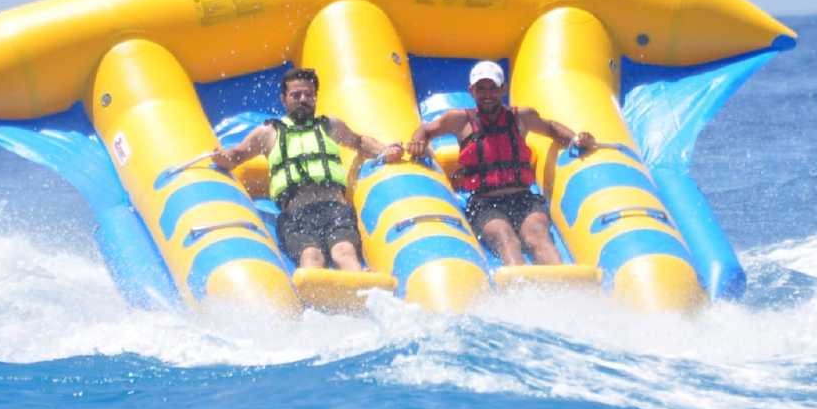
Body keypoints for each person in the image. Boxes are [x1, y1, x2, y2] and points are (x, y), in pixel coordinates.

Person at [210, 67, 403, 271]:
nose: (303, 99)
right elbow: (237, 155)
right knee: (312, 256)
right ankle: (317, 289)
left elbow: (359, 142)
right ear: (284, 99)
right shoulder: (267, 133)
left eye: (309, 95)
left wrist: (384, 150)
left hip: (335, 209)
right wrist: (222, 158)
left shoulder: (330, 126)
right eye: (296, 95)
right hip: (295, 215)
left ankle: (363, 286)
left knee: (344, 252)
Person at [405, 60, 595, 266]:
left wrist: (576, 139)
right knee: (505, 238)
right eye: (481, 88)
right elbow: (426, 130)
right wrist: (417, 143)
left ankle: (564, 280)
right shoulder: (460, 120)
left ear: (503, 89)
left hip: (523, 198)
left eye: (493, 88)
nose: (487, 94)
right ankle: (519, 283)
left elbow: (550, 127)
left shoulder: (521, 116)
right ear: (471, 90)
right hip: (484, 203)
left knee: (537, 234)